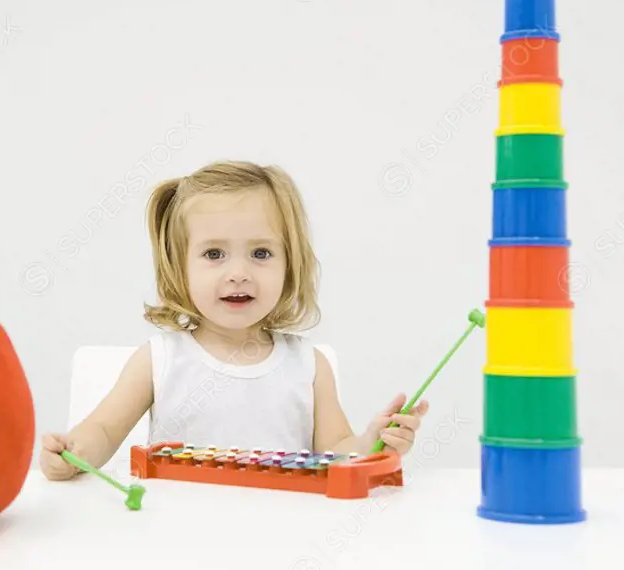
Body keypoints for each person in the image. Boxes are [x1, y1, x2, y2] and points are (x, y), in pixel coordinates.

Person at [40, 160, 429, 480]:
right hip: (178, 534)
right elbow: (105, 430)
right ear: (180, 267)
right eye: (214, 255)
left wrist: (372, 442)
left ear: (289, 265)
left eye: (261, 253)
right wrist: (74, 452)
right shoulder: (159, 359)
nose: (238, 272)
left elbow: (338, 451)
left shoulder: (309, 367)